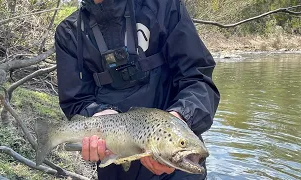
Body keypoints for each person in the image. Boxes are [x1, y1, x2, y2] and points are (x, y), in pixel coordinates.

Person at [55, 0, 220, 179]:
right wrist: (96, 114)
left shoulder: (164, 7)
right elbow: (76, 101)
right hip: (115, 167)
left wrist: (180, 118)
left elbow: (197, 79)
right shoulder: (69, 33)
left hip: (178, 167)